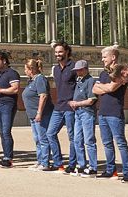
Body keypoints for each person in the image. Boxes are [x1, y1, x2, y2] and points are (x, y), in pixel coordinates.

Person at [92, 45, 128, 182]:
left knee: (120, 142)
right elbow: (94, 89)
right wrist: (106, 88)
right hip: (102, 112)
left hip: (115, 113)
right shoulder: (103, 73)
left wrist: (103, 87)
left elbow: (112, 87)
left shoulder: (121, 72)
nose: (102, 59)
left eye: (105, 57)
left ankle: (127, 172)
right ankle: (111, 170)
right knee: (107, 143)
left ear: (113, 57)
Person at [47, 41, 78, 173]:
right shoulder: (55, 69)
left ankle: (72, 164)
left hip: (71, 107)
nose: (57, 54)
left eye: (60, 52)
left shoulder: (74, 66)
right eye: (56, 52)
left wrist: (76, 102)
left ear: (67, 52)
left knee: (72, 137)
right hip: (59, 106)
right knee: (50, 133)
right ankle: (58, 163)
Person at [0, 51, 20, 168]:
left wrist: (0, 90)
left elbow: (15, 89)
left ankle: (8, 158)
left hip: (8, 104)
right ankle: (5, 155)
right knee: (2, 132)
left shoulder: (12, 73)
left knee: (6, 132)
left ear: (4, 61)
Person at [68, 59, 98, 177]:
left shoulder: (90, 81)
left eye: (80, 70)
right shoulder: (79, 80)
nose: (78, 72)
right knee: (77, 140)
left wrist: (76, 103)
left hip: (87, 112)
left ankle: (93, 167)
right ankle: (81, 165)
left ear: (85, 69)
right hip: (78, 113)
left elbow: (91, 100)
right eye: (77, 70)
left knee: (89, 140)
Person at [22, 57, 53, 171]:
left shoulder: (40, 79)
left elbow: (43, 96)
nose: (25, 71)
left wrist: (39, 112)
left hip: (41, 115)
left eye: (26, 69)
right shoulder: (32, 80)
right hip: (33, 115)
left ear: (31, 69)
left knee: (42, 138)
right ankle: (40, 160)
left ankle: (45, 163)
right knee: (37, 139)